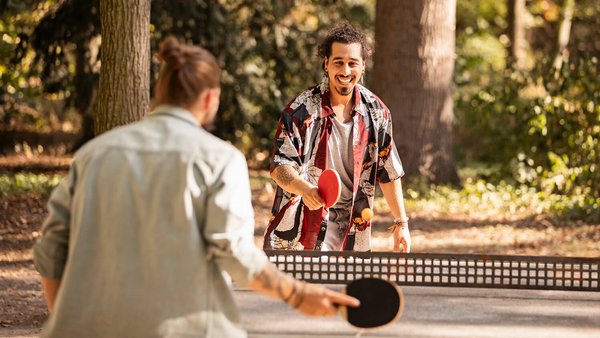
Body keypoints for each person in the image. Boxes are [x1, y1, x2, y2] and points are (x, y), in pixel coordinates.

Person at [32, 36, 358, 338]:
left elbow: (50, 249)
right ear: (210, 98)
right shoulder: (220, 160)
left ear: (159, 93)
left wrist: (68, 318)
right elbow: (235, 255)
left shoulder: (92, 155)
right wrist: (298, 294)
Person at [263, 22, 411, 252]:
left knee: (346, 288)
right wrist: (304, 189)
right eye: (338, 62)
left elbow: (388, 170)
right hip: (303, 227)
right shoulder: (300, 110)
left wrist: (401, 223)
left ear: (362, 66)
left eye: (352, 63)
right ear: (326, 64)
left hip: (353, 229)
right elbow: (280, 167)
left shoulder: (377, 112)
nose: (345, 71)